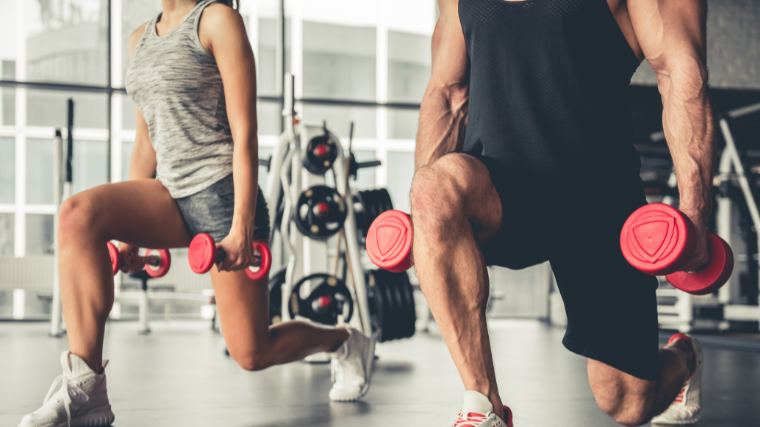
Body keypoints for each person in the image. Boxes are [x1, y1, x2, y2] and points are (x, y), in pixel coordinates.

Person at [19, 1, 374, 426]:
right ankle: (87, 390)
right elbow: (145, 143)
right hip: (167, 193)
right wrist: (128, 239)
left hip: (221, 194)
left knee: (251, 351)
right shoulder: (140, 38)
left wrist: (242, 223)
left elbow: (245, 133)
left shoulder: (217, 20)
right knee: (77, 214)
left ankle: (345, 341)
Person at [412, 0, 712, 426]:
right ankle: (484, 407)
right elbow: (446, 91)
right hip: (500, 190)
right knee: (431, 187)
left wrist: (694, 214)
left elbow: (679, 70)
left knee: (626, 402)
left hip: (599, 203)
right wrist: (422, 219)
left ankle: (684, 359)